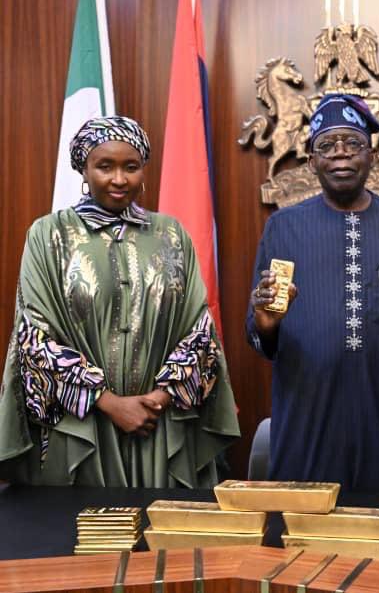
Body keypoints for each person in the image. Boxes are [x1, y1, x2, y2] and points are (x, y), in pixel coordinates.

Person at [0, 115, 239, 486]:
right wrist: (109, 403)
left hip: (160, 425)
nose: (119, 179)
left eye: (131, 167)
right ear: (83, 169)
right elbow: (35, 335)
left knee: (163, 521)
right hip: (82, 426)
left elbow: (199, 330)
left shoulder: (171, 234)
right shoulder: (49, 235)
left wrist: (159, 398)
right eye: (104, 166)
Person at [246, 92, 379, 491]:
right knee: (304, 522)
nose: (340, 153)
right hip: (307, 419)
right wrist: (265, 325)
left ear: (373, 156)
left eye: (353, 144)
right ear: (312, 161)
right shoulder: (283, 228)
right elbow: (260, 336)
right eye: (327, 145)